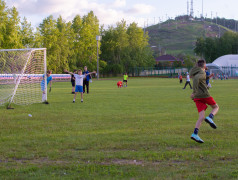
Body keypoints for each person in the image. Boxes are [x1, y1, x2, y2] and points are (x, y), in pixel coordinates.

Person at [189, 59, 219, 143]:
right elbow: (197, 79)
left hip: (197, 98)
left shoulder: (196, 72)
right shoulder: (201, 73)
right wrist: (194, 91)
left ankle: (195, 134)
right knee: (216, 107)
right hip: (203, 95)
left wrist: (209, 77)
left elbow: (201, 79)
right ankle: (210, 117)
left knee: (201, 117)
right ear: (204, 66)